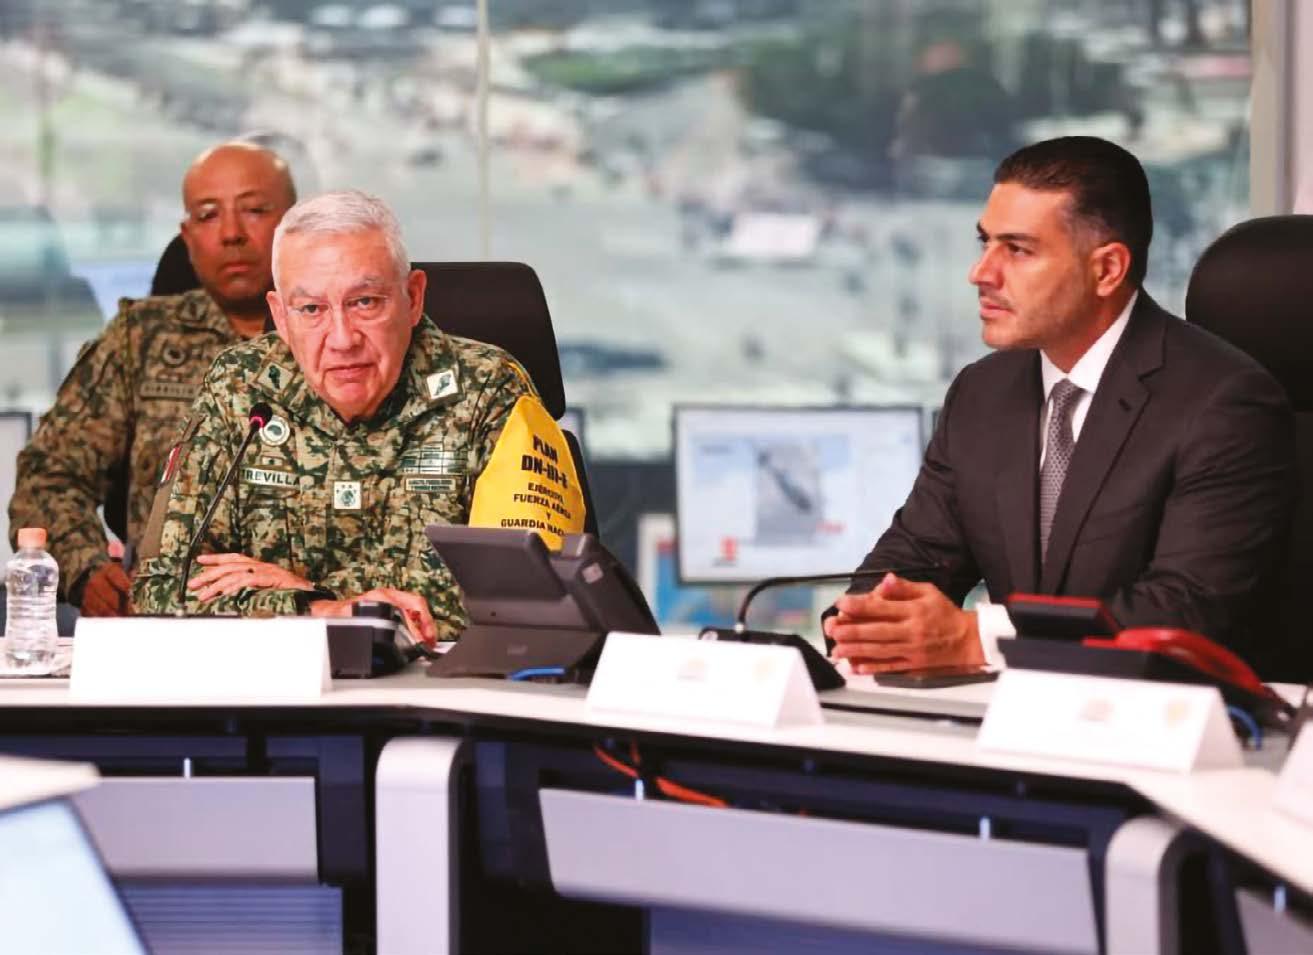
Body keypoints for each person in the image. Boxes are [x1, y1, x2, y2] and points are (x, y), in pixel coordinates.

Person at [825, 136, 1295, 676]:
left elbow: (1183, 608)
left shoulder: (1223, 403)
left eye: (1017, 250)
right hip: (1014, 711)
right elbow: (914, 557)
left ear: (1107, 270)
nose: (981, 272)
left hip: (1169, 712)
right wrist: (865, 622)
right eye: (985, 242)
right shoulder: (982, 392)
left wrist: (979, 639)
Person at [132, 190, 537, 640]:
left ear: (413, 297)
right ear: (280, 317)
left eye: (365, 302)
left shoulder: (489, 388)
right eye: (311, 309)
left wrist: (316, 597)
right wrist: (320, 610)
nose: (343, 339)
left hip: (441, 680)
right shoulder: (240, 388)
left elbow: (526, 598)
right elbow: (161, 590)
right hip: (284, 682)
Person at [8, 141, 297, 617]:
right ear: (188, 236)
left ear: (294, 223)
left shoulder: (341, 337)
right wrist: (86, 569)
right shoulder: (139, 339)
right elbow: (48, 478)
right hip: (165, 622)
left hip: (309, 618)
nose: (231, 234)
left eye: (254, 210)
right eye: (208, 215)